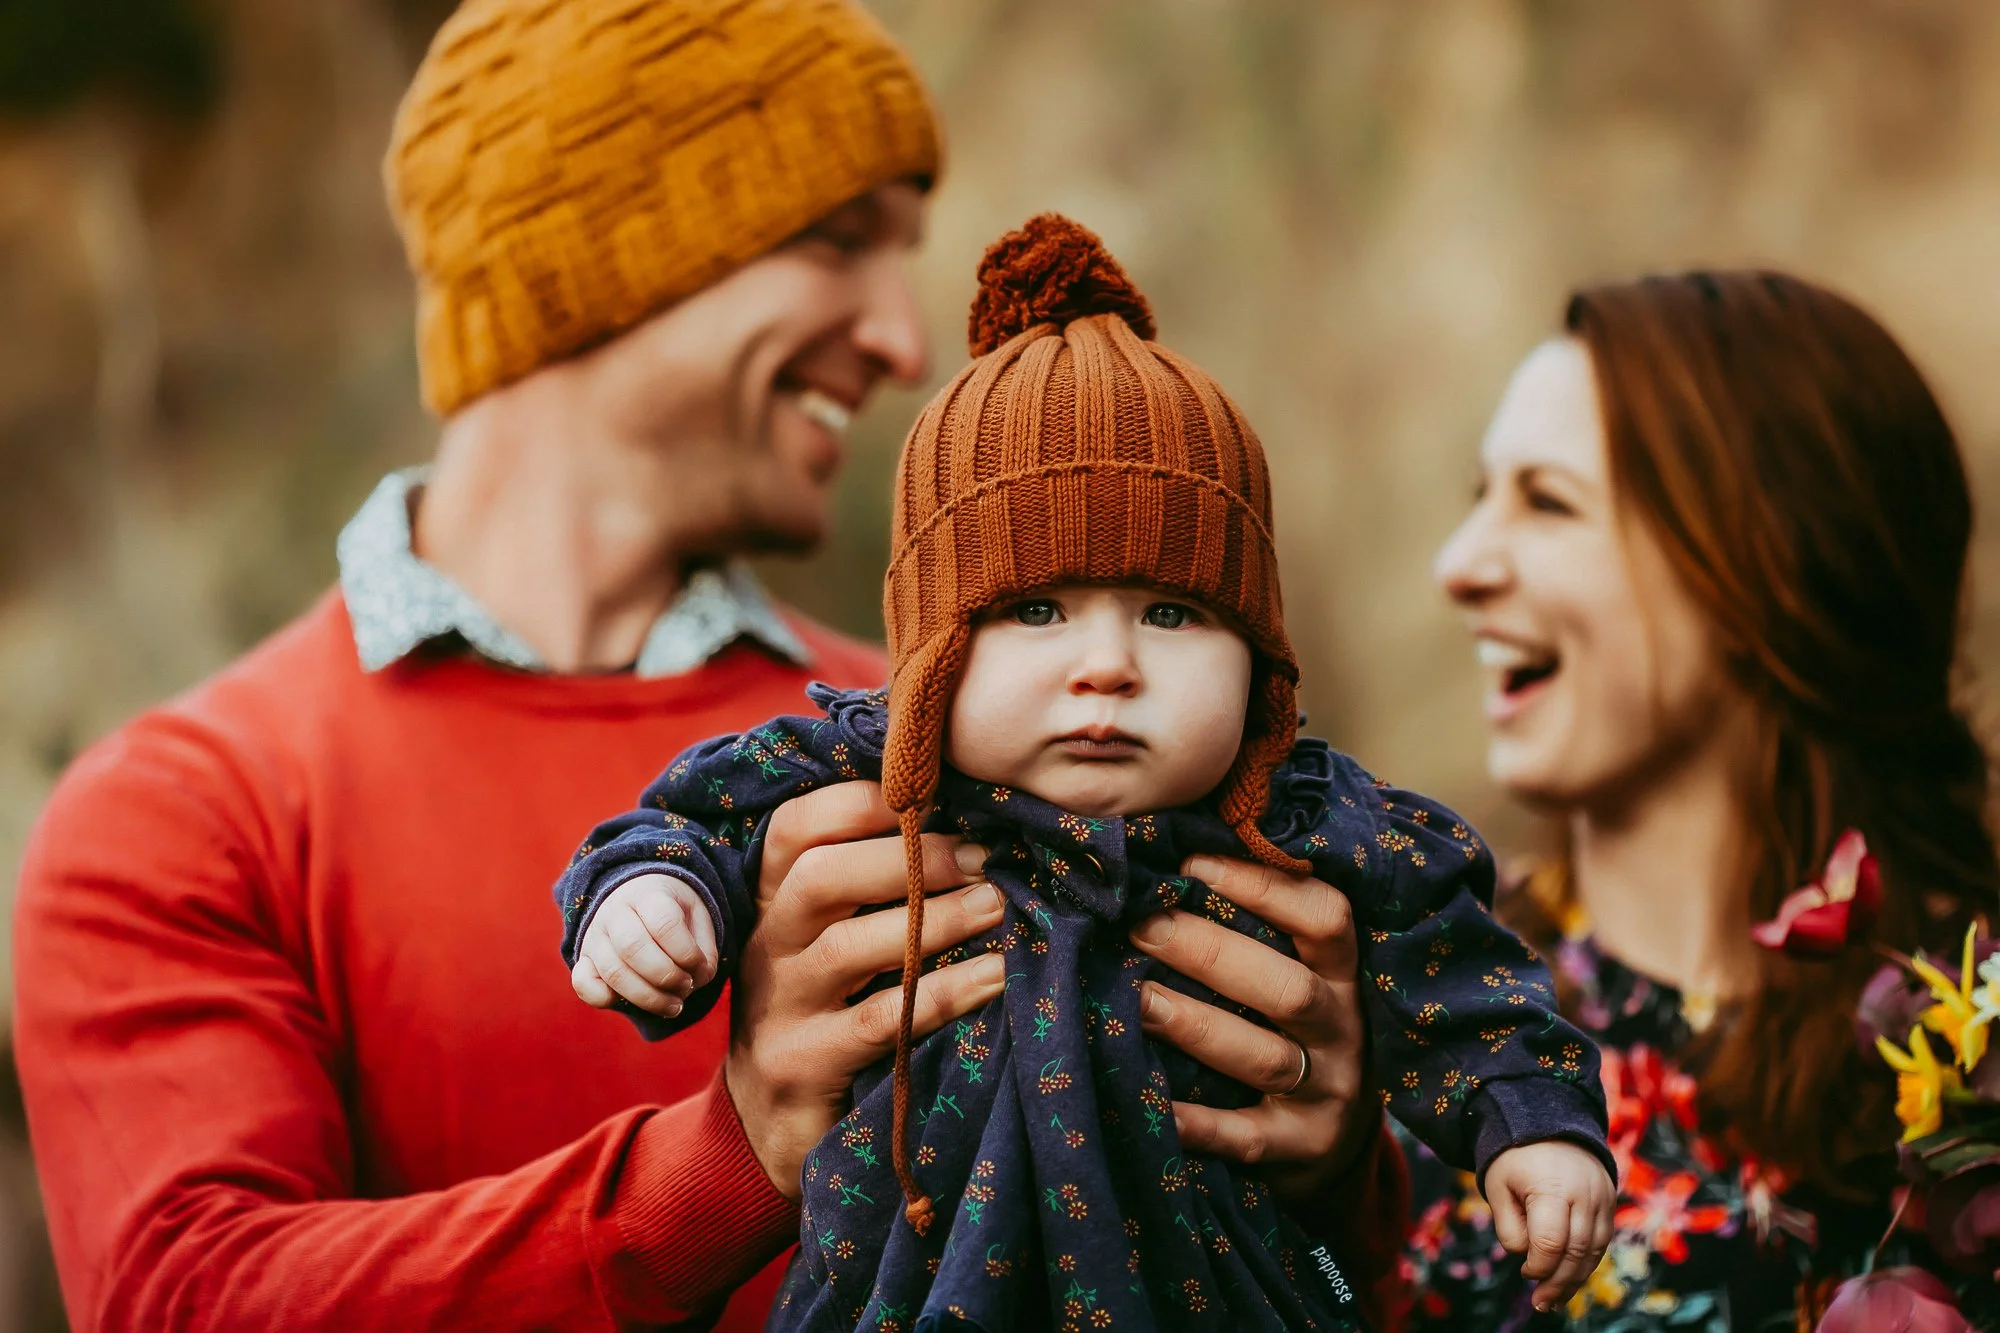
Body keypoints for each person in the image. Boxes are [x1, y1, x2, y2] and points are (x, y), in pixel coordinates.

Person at [11, 4, 1398, 1331]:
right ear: (610, 249)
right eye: (840, 240)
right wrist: (722, 1164)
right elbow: (187, 1301)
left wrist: (1333, 1175)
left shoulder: (975, 750)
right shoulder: (190, 809)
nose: (900, 342)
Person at [558, 215, 1616, 1330]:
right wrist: (651, 896)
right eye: (1035, 611)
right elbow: (686, 819)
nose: (1106, 666)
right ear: (932, 648)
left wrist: (1531, 1122)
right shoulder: (862, 782)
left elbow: (1465, 979)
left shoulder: (1312, 823)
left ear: (1257, 658)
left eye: (1170, 613)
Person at [1409, 270, 2000, 1329]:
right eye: (1477, 498)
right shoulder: (1420, 1027)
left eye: (1545, 501)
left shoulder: (1972, 1040)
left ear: (1760, 563)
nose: (1457, 565)